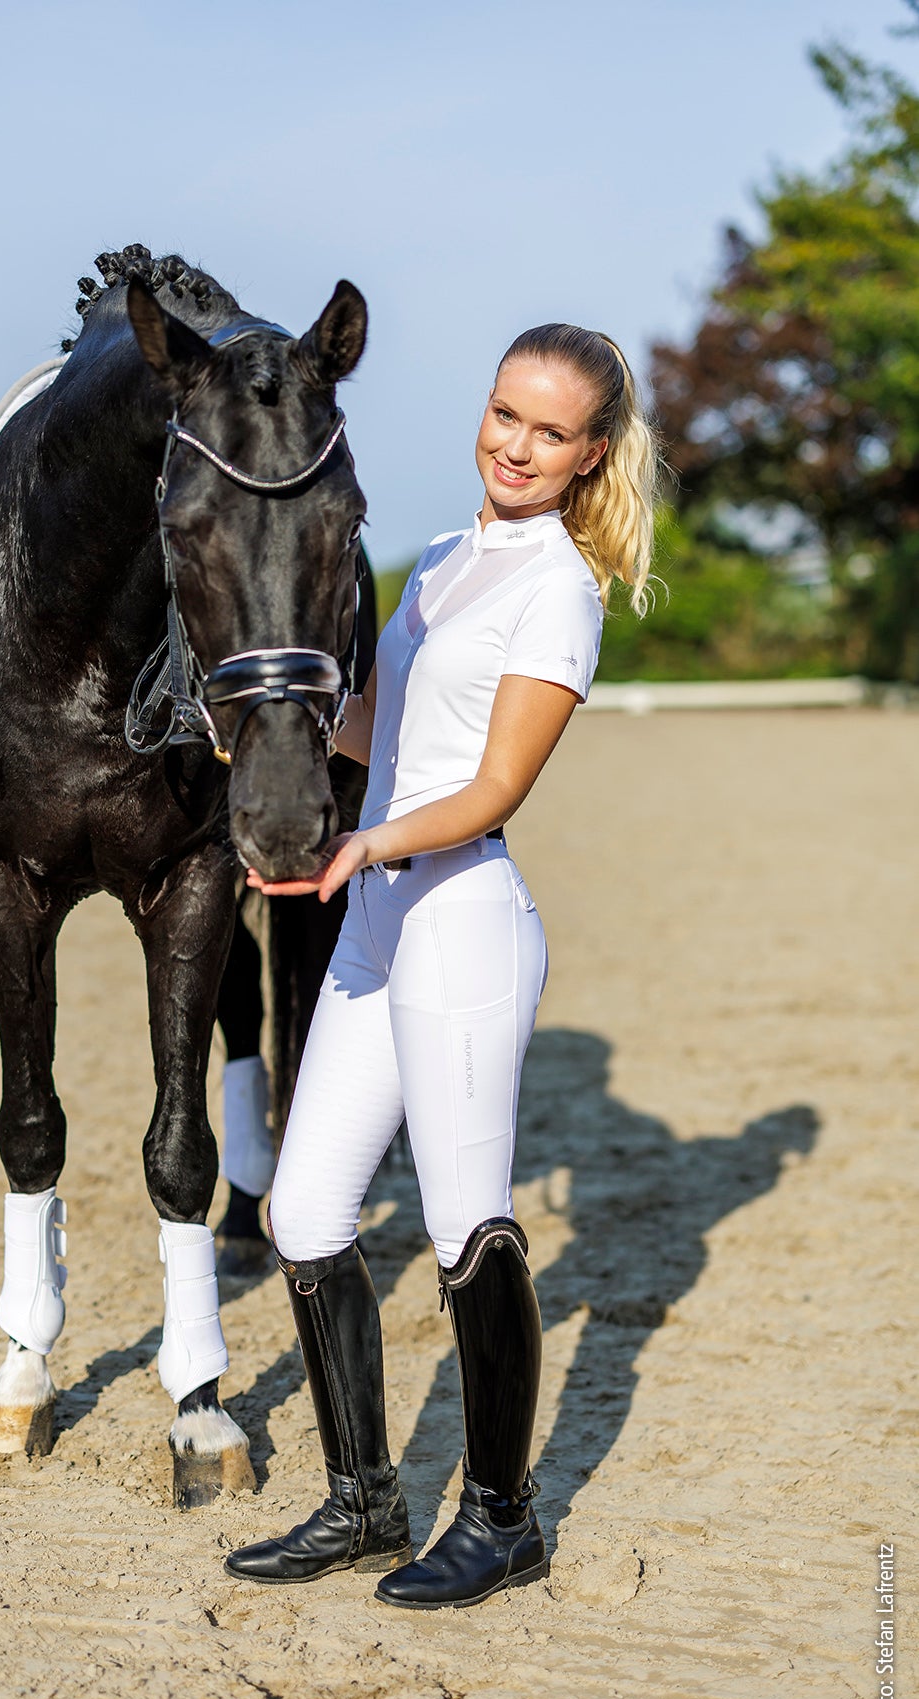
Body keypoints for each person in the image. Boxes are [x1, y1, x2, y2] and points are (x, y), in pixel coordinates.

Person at [223, 323, 660, 1609]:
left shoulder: (557, 588)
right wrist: (256, 727)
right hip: (375, 920)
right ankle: (363, 1498)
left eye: (549, 432)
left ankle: (502, 1516)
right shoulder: (436, 559)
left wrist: (367, 841)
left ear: (588, 455)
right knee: (305, 1211)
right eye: (504, 414)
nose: (515, 446)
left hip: (461, 917)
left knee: (464, 1218)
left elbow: (492, 783)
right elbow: (381, 730)